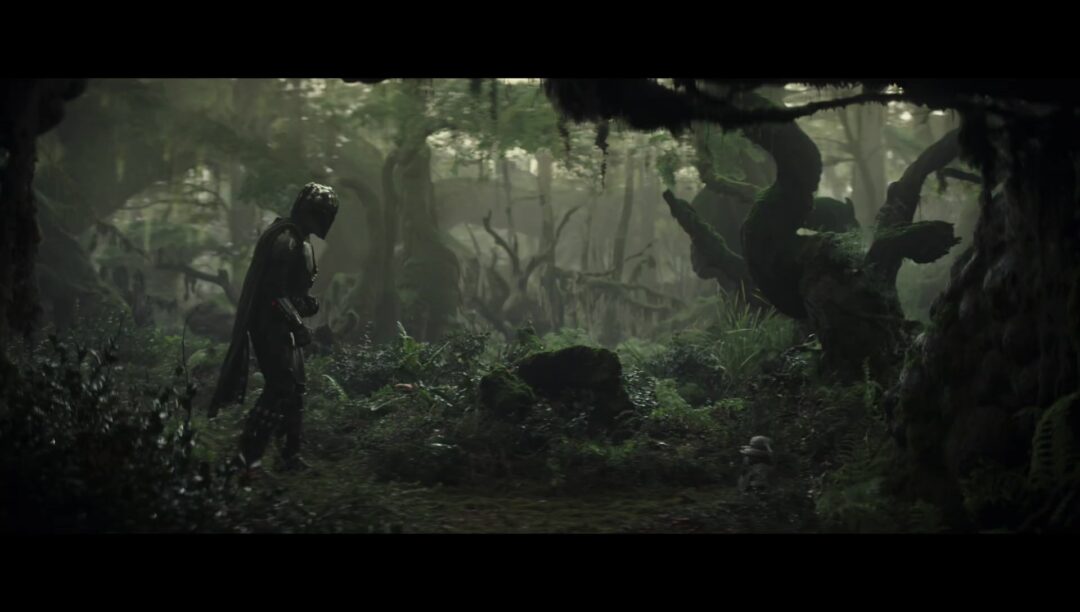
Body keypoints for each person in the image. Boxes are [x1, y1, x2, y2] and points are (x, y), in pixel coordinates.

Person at [209, 183, 339, 473]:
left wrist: (305, 304)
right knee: (280, 386)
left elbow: (291, 290)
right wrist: (297, 322)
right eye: (319, 214)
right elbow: (273, 293)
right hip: (270, 325)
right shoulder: (286, 240)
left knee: (295, 389)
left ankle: (288, 456)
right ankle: (246, 457)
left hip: (284, 325)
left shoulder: (300, 240)